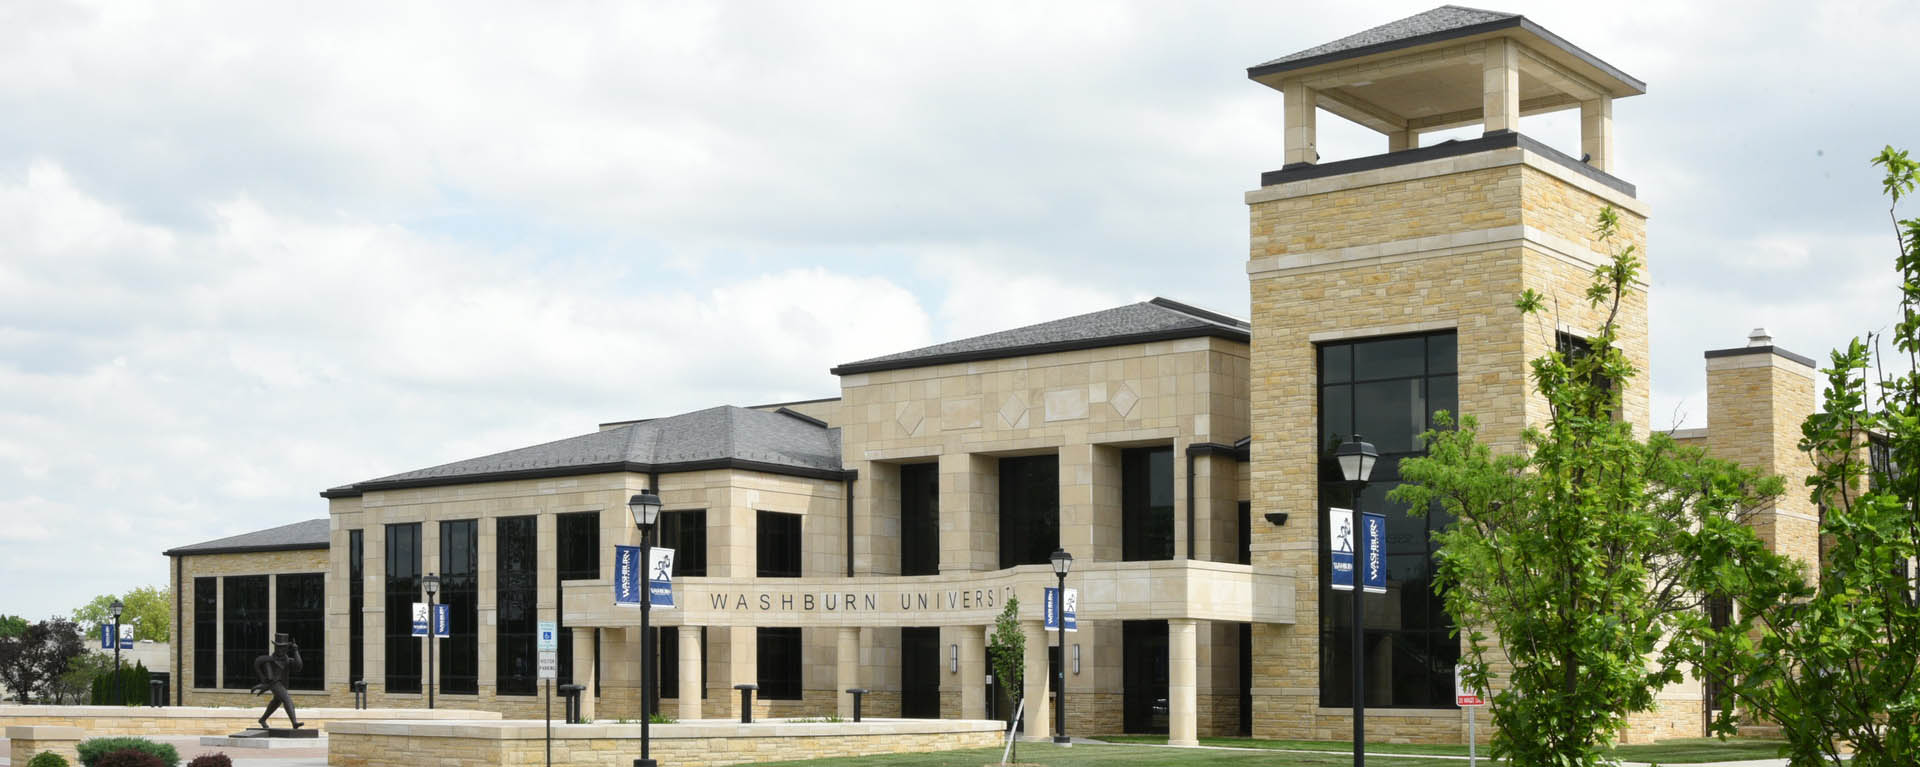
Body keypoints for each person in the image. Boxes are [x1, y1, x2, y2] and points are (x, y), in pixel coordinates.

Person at [251, 633, 304, 730]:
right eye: (278, 647)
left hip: (282, 684)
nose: (280, 650)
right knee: (287, 700)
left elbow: (298, 666)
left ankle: (262, 719)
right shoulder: (269, 660)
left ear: (286, 648)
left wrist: (296, 651)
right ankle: (294, 723)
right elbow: (257, 663)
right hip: (274, 683)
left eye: (283, 647)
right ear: (275, 647)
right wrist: (262, 679)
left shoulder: (287, 660)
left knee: (276, 702)